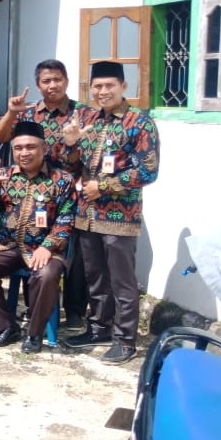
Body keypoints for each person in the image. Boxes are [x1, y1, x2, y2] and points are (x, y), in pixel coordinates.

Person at [63, 61, 160, 365]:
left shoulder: (139, 122)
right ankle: (99, 329)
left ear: (123, 87)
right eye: (97, 86)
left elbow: (148, 170)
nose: (103, 91)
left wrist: (102, 187)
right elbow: (74, 165)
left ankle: (125, 340)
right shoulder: (88, 119)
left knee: (122, 281)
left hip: (120, 216)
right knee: (95, 278)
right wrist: (71, 143)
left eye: (109, 86)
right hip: (87, 215)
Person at [0, 59, 97, 330]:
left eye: (57, 79)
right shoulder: (28, 113)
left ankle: (74, 310)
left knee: (74, 252)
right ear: (38, 85)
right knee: (30, 244)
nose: (52, 85)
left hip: (69, 191)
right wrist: (11, 113)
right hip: (30, 190)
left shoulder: (84, 113)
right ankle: (33, 309)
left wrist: (75, 145)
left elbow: (93, 153)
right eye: (46, 81)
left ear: (67, 81)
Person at [0, 121, 76, 353]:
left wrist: (48, 246)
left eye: (30, 147)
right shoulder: (4, 175)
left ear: (44, 148)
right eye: (18, 148)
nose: (24, 153)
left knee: (46, 276)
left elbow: (66, 219)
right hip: (6, 243)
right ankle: (6, 326)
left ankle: (34, 333)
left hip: (45, 247)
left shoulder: (62, 179)